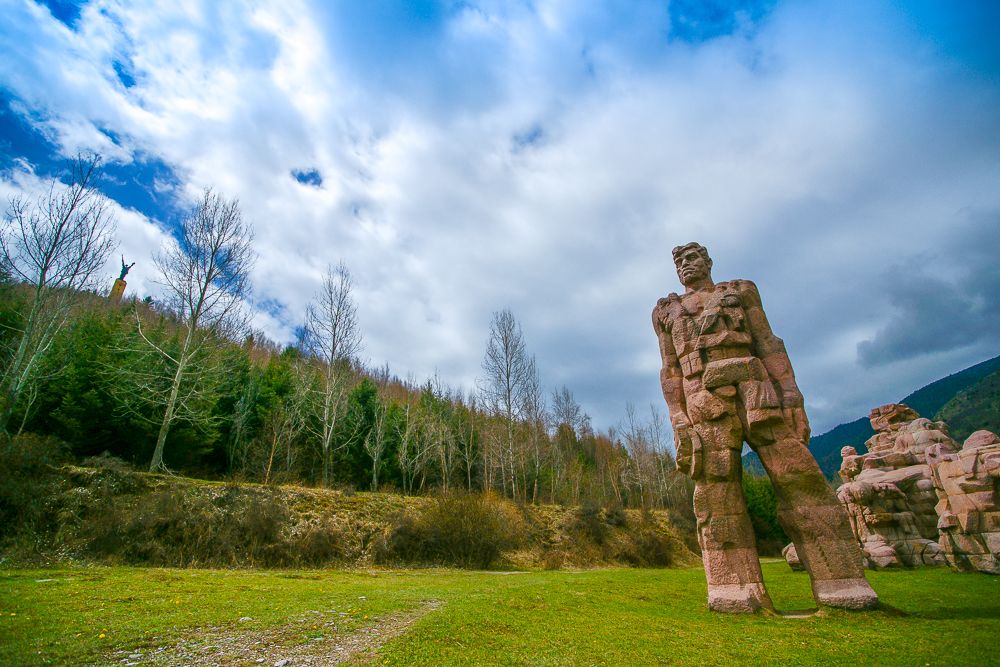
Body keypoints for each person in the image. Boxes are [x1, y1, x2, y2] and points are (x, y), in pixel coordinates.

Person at [652, 242, 877, 612]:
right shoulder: (666, 311)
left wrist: (792, 396)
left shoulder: (740, 291)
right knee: (716, 490)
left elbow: (769, 343)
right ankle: (734, 590)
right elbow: (670, 369)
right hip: (702, 395)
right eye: (678, 262)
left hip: (757, 388)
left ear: (708, 262)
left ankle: (842, 581)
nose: (684, 266)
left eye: (691, 258)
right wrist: (678, 415)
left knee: (799, 474)